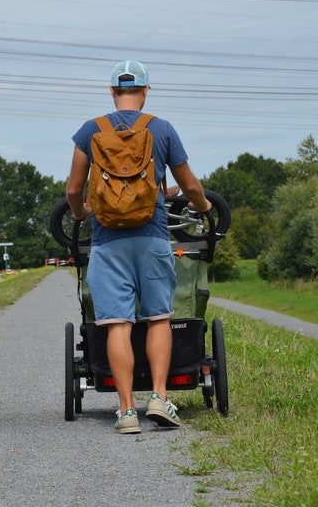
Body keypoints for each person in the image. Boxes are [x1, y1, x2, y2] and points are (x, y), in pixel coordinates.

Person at [66, 60, 210, 434]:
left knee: (117, 323)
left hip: (107, 241)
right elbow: (189, 184)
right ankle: (159, 398)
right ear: (146, 91)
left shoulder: (90, 130)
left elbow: (72, 190)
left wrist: (83, 211)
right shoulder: (161, 129)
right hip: (152, 236)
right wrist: (203, 205)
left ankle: (126, 411)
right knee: (158, 317)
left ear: (112, 91)